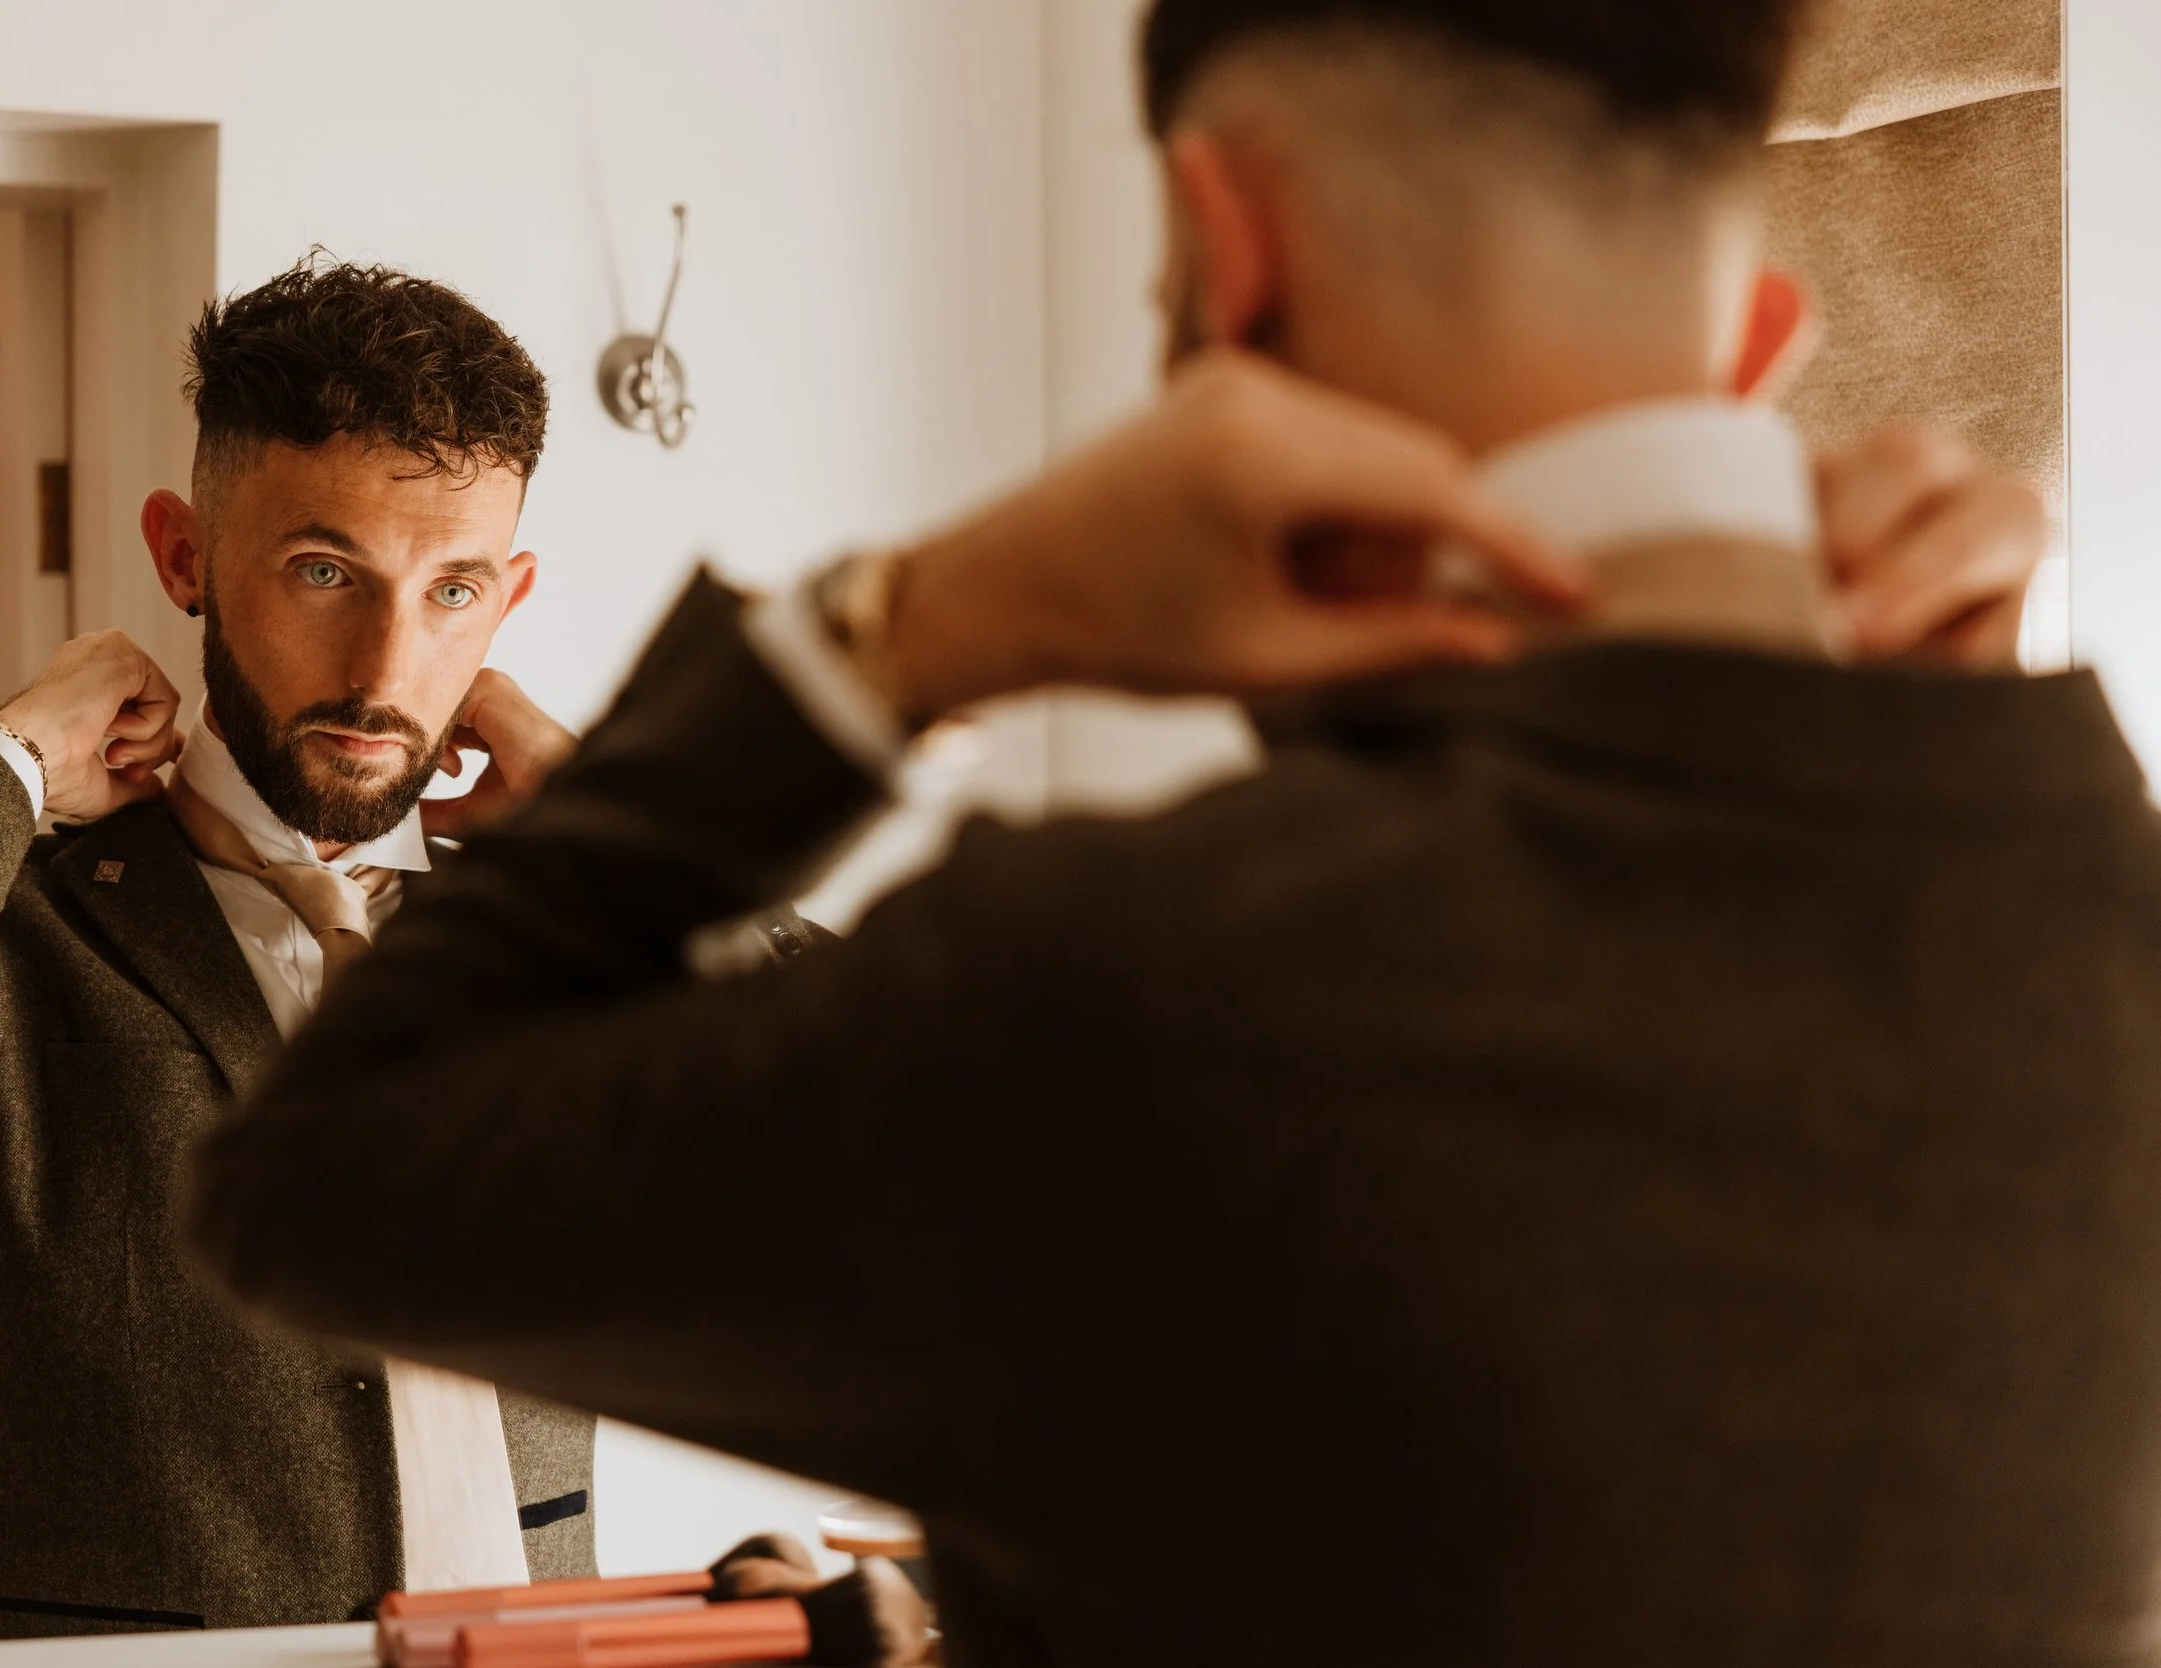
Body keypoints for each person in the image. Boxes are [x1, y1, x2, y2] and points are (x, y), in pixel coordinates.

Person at [185, 3, 2152, 1665]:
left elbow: (325, 1183)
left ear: (1234, 267)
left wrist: (913, 624)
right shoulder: (2096, 899)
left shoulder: (1135, 990)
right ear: (1755, 342)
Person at [0, 258, 600, 1638]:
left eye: (454, 590)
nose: (387, 662)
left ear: (510, 594)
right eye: (324, 569)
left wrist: (624, 835)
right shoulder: (20, 930)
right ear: (184, 555)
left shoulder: (572, 936)